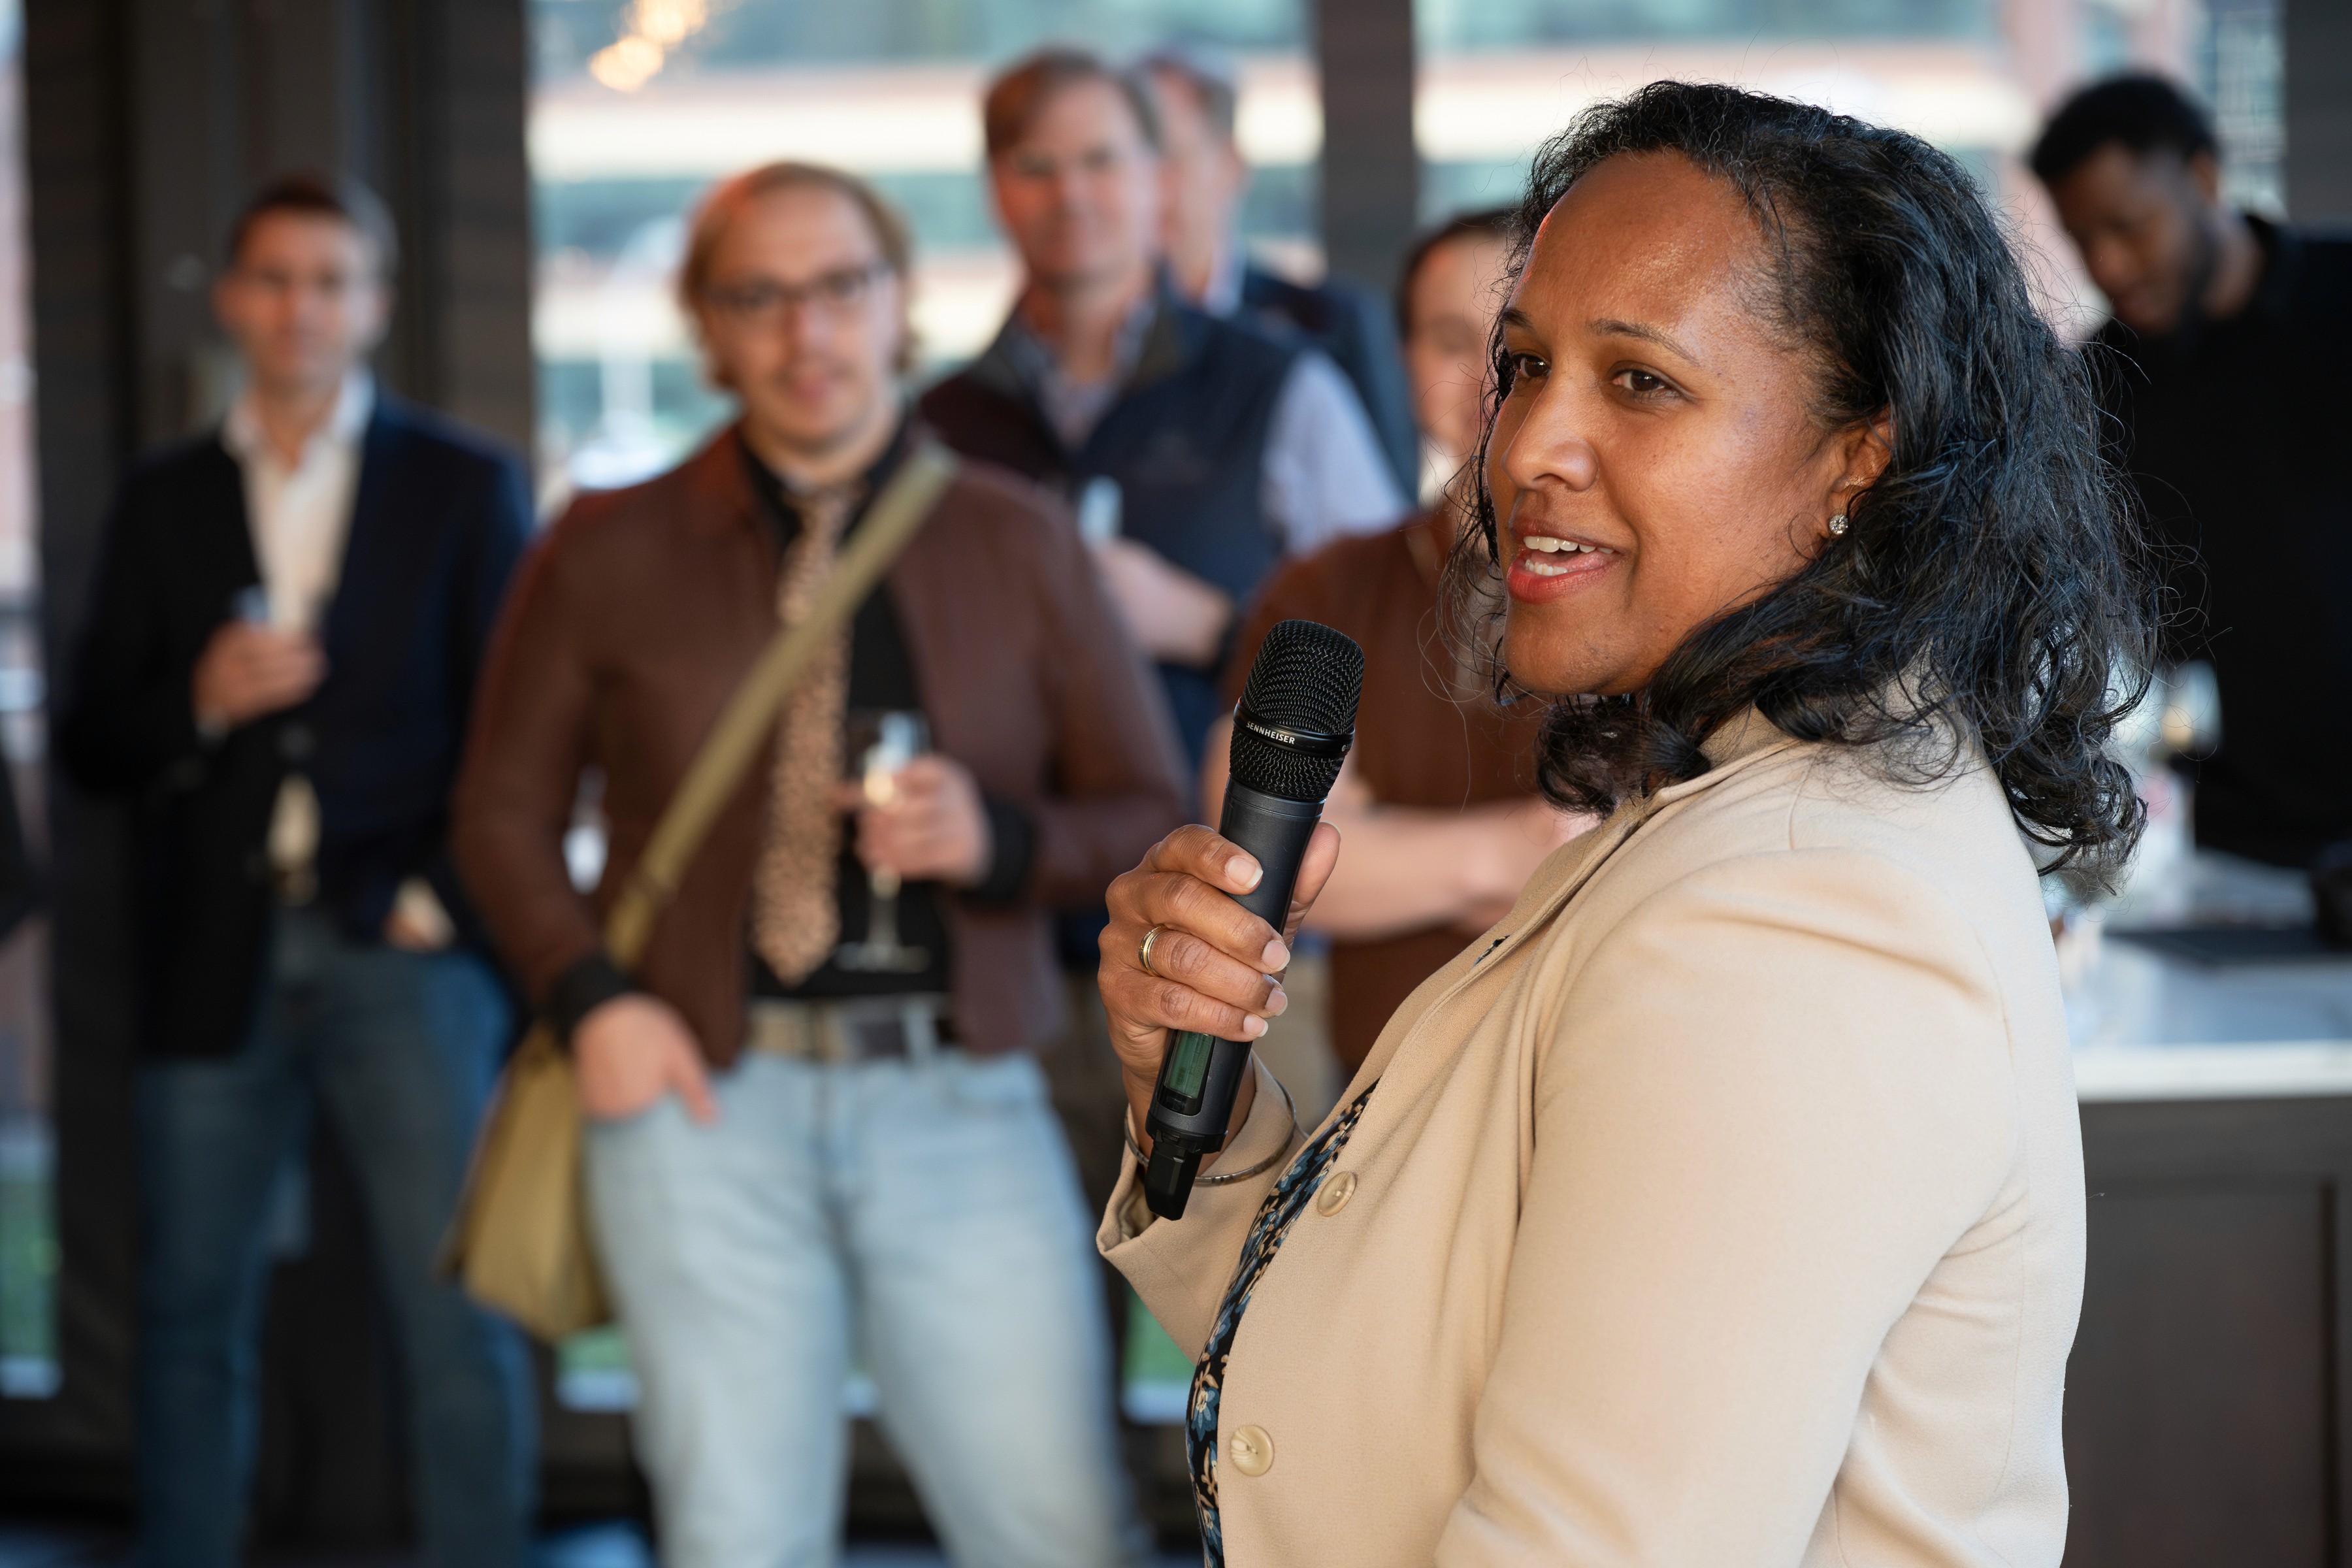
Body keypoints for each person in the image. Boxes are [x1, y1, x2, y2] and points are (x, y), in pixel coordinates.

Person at [1093, 82, 2149, 1565]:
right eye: (1521, 366)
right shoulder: (1738, 808)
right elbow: (1399, 1376)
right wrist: (1200, 1097)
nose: (1527, 448)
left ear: (1860, 450)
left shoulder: (1795, 918)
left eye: (1639, 382)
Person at [451, 161, 1181, 1568]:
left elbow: (1146, 812)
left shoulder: (1017, 540)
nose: (808, 331)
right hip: (700, 1107)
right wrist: (589, 997)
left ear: (899, 301)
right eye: (759, 296)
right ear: (709, 329)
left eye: (841, 285)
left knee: (1057, 1527)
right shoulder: (602, 547)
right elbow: (498, 814)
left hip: (961, 1100)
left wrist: (1002, 840)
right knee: (734, 1537)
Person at [59, 174, 535, 1568]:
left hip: (407, 949)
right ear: (231, 299)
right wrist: (201, 699)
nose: (301, 308)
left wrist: (439, 894)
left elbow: (522, 730)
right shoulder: (164, 498)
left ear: (375, 304)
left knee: (458, 1313)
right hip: (215, 947)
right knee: (190, 1311)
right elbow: (93, 740)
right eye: (274, 279)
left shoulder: (459, 484)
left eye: (332, 280)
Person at [920, 47, 1406, 772]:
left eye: (1101, 161)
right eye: (1034, 167)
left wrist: (1212, 628)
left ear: (1161, 182)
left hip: (1227, 857)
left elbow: (1392, 638)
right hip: (1004, 862)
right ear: (994, 190)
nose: (1070, 195)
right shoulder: (940, 425)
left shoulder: (1278, 387)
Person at [1204, 208, 1583, 1073]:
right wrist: (1527, 851)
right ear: (1404, 363)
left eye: (1521, 349)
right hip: (1385, 1103)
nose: (1490, 382)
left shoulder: (1669, 585)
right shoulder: (1325, 588)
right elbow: (1258, 864)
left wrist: (1395, 854)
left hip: (1611, 1080)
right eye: (1453, 341)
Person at [2033, 73, 2352, 870]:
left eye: (2130, 226)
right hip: (2226, 850)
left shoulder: (2344, 300)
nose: (2110, 264)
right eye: (2082, 241)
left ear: (2203, 178)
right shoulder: (2097, 386)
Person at [1139, 42, 1421, 497]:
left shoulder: (1334, 326)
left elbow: (1389, 528)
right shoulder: (1082, 345)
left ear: (1230, 166)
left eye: (1165, 157)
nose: (1144, 187)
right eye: (1123, 159)